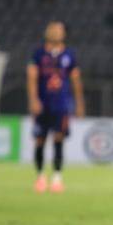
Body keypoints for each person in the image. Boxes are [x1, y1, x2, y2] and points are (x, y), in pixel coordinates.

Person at [27, 21, 85, 193]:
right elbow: (32, 77)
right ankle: (40, 176)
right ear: (47, 32)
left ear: (64, 34)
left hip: (61, 104)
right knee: (40, 139)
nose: (55, 33)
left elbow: (76, 80)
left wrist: (79, 103)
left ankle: (57, 177)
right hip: (43, 103)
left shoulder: (69, 55)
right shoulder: (38, 54)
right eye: (52, 29)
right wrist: (33, 100)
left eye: (58, 30)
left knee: (59, 139)